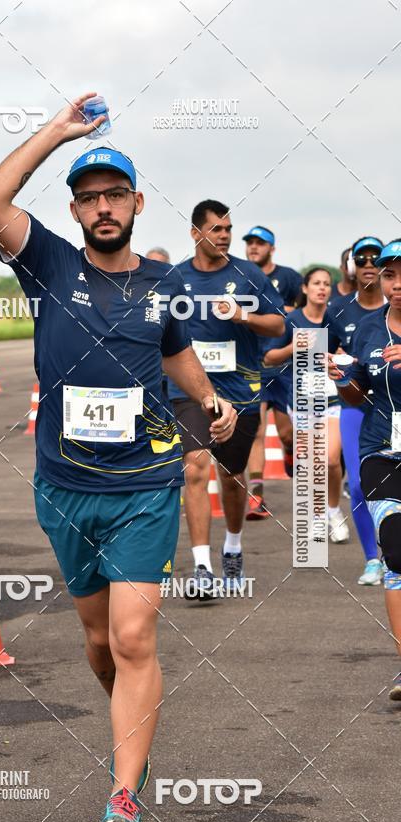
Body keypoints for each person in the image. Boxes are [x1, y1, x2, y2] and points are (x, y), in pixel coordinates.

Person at [0, 93, 237, 822]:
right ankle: (132, 723)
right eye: (88, 198)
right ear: (75, 211)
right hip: (65, 488)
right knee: (99, 642)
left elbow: (175, 351)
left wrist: (209, 397)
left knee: (132, 637)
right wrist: (58, 132)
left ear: (137, 203)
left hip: (145, 486)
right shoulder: (50, 264)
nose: (103, 207)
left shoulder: (161, 285)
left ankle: (124, 795)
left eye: (115, 194)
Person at [167, 201, 284, 598]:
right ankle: (201, 567)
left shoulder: (248, 275)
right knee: (196, 469)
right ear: (195, 233)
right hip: (190, 392)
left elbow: (278, 324)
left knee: (232, 479)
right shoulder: (175, 278)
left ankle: (232, 546)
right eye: (216, 229)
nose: (224, 236)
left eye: (228, 229)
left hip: (241, 391)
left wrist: (242, 316)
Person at [329, 239, 401, 700]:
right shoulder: (368, 328)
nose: (397, 285)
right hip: (381, 450)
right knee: (396, 548)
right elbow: (358, 395)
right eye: (391, 276)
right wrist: (343, 380)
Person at [263, 268, 347, 541]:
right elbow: (269, 357)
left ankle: (334, 511)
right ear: (305, 288)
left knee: (331, 460)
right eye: (316, 283)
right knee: (313, 462)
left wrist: (342, 354)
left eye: (326, 284)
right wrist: (293, 347)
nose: (322, 288)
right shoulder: (292, 320)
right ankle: (319, 517)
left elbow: (351, 351)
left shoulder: (336, 319)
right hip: (300, 402)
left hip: (332, 399)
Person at [324, 236, 386, 583]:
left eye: (375, 259)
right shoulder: (338, 310)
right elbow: (321, 354)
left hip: (395, 407)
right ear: (351, 266)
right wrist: (333, 363)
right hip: (356, 406)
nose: (368, 265)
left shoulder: (396, 306)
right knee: (360, 484)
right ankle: (372, 559)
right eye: (361, 259)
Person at [243, 226, 302, 519]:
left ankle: (290, 451)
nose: (254, 247)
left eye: (260, 243)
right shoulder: (239, 276)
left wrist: (282, 313)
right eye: (250, 243)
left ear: (272, 249)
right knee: (256, 431)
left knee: (286, 434)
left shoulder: (289, 277)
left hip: (283, 367)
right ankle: (257, 496)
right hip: (252, 365)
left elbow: (306, 313)